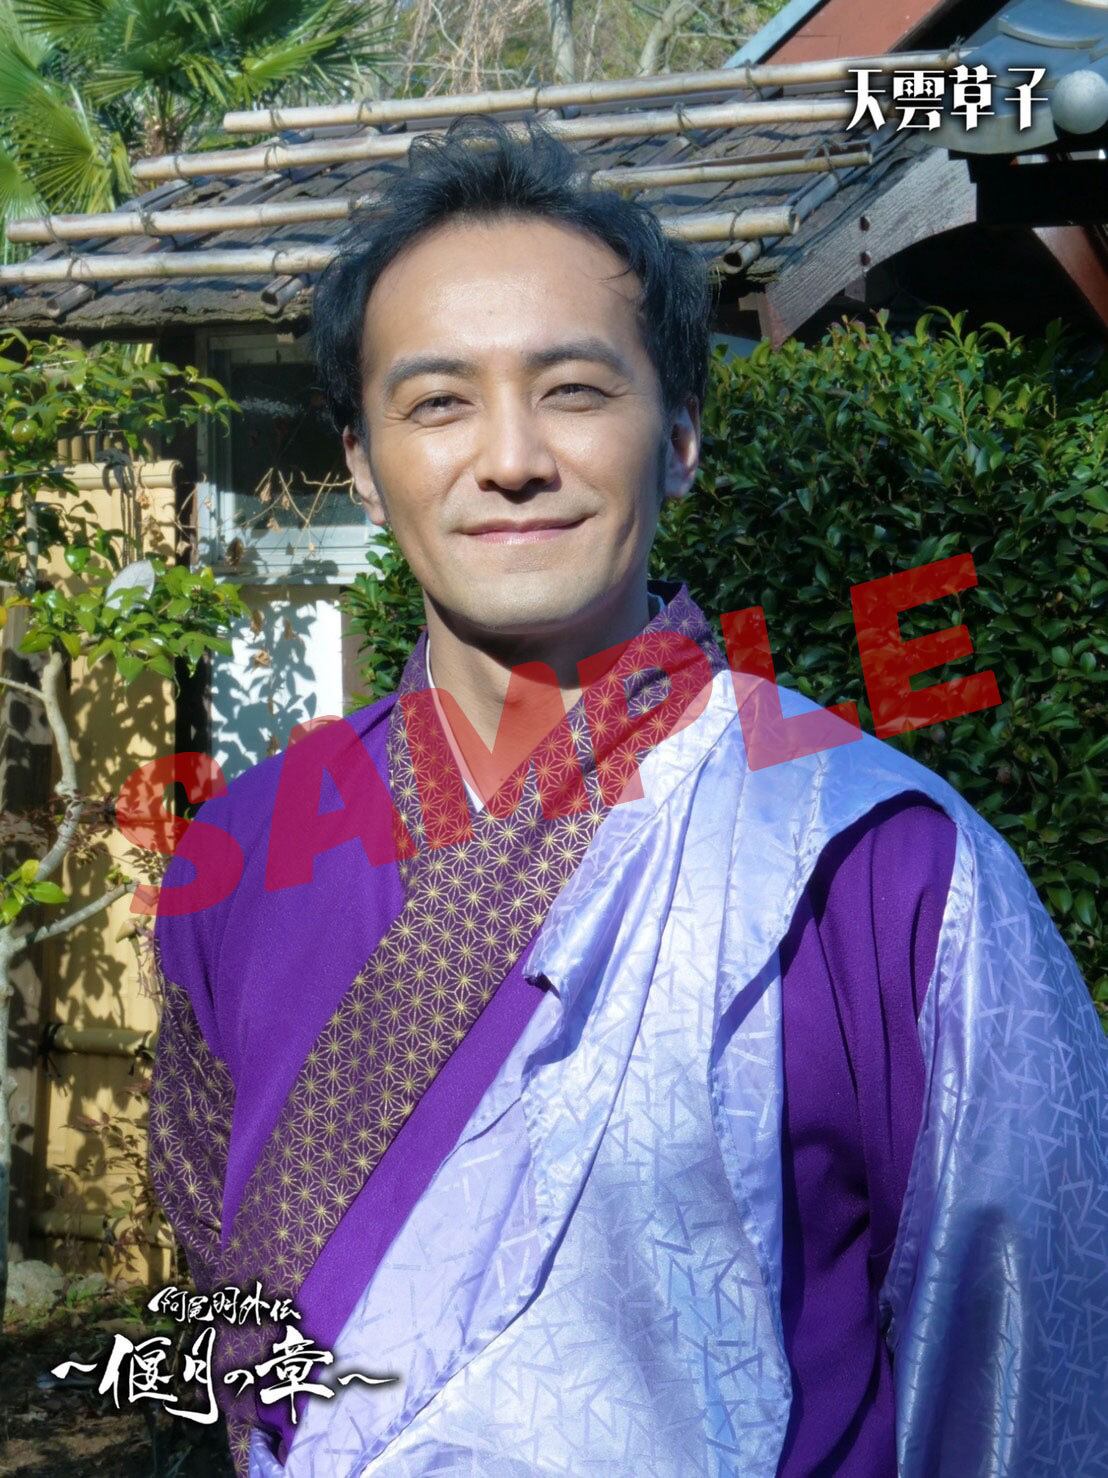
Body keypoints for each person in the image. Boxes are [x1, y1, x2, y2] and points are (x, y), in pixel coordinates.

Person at [148, 117, 1108, 1478]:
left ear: (683, 434)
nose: (512, 457)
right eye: (437, 403)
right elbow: (229, 1291)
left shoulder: (878, 863)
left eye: (575, 390)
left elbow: (1023, 1376)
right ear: (361, 459)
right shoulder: (246, 851)